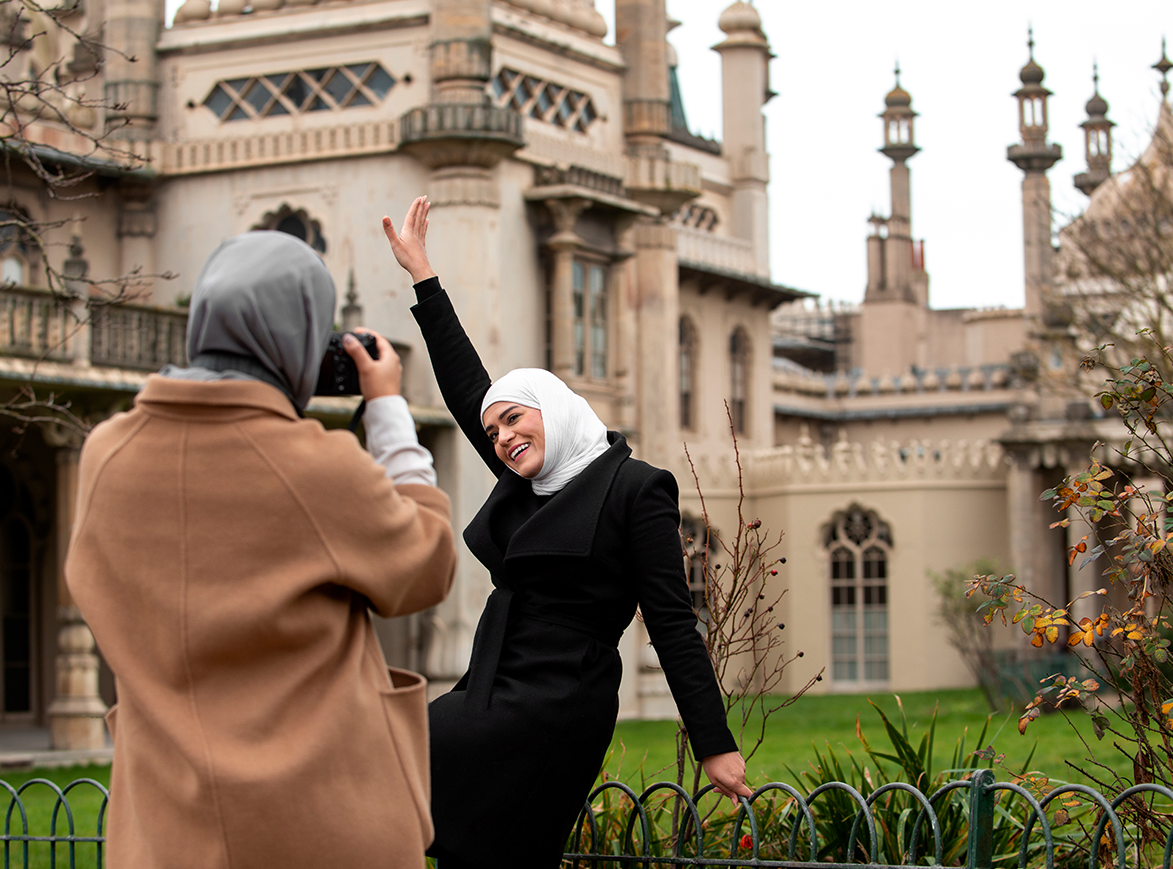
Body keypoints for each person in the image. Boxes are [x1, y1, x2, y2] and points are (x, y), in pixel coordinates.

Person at [65, 231, 457, 869]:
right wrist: (386, 406)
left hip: (165, 832)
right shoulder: (317, 469)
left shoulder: (107, 455)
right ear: (300, 336)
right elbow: (427, 561)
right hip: (321, 827)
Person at [382, 197, 753, 869]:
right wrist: (423, 276)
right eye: (492, 431)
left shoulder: (636, 488)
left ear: (553, 408)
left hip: (554, 704)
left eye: (516, 418)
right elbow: (469, 384)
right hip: (490, 688)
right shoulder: (526, 481)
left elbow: (673, 623)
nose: (502, 436)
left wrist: (713, 741)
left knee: (388, 755)